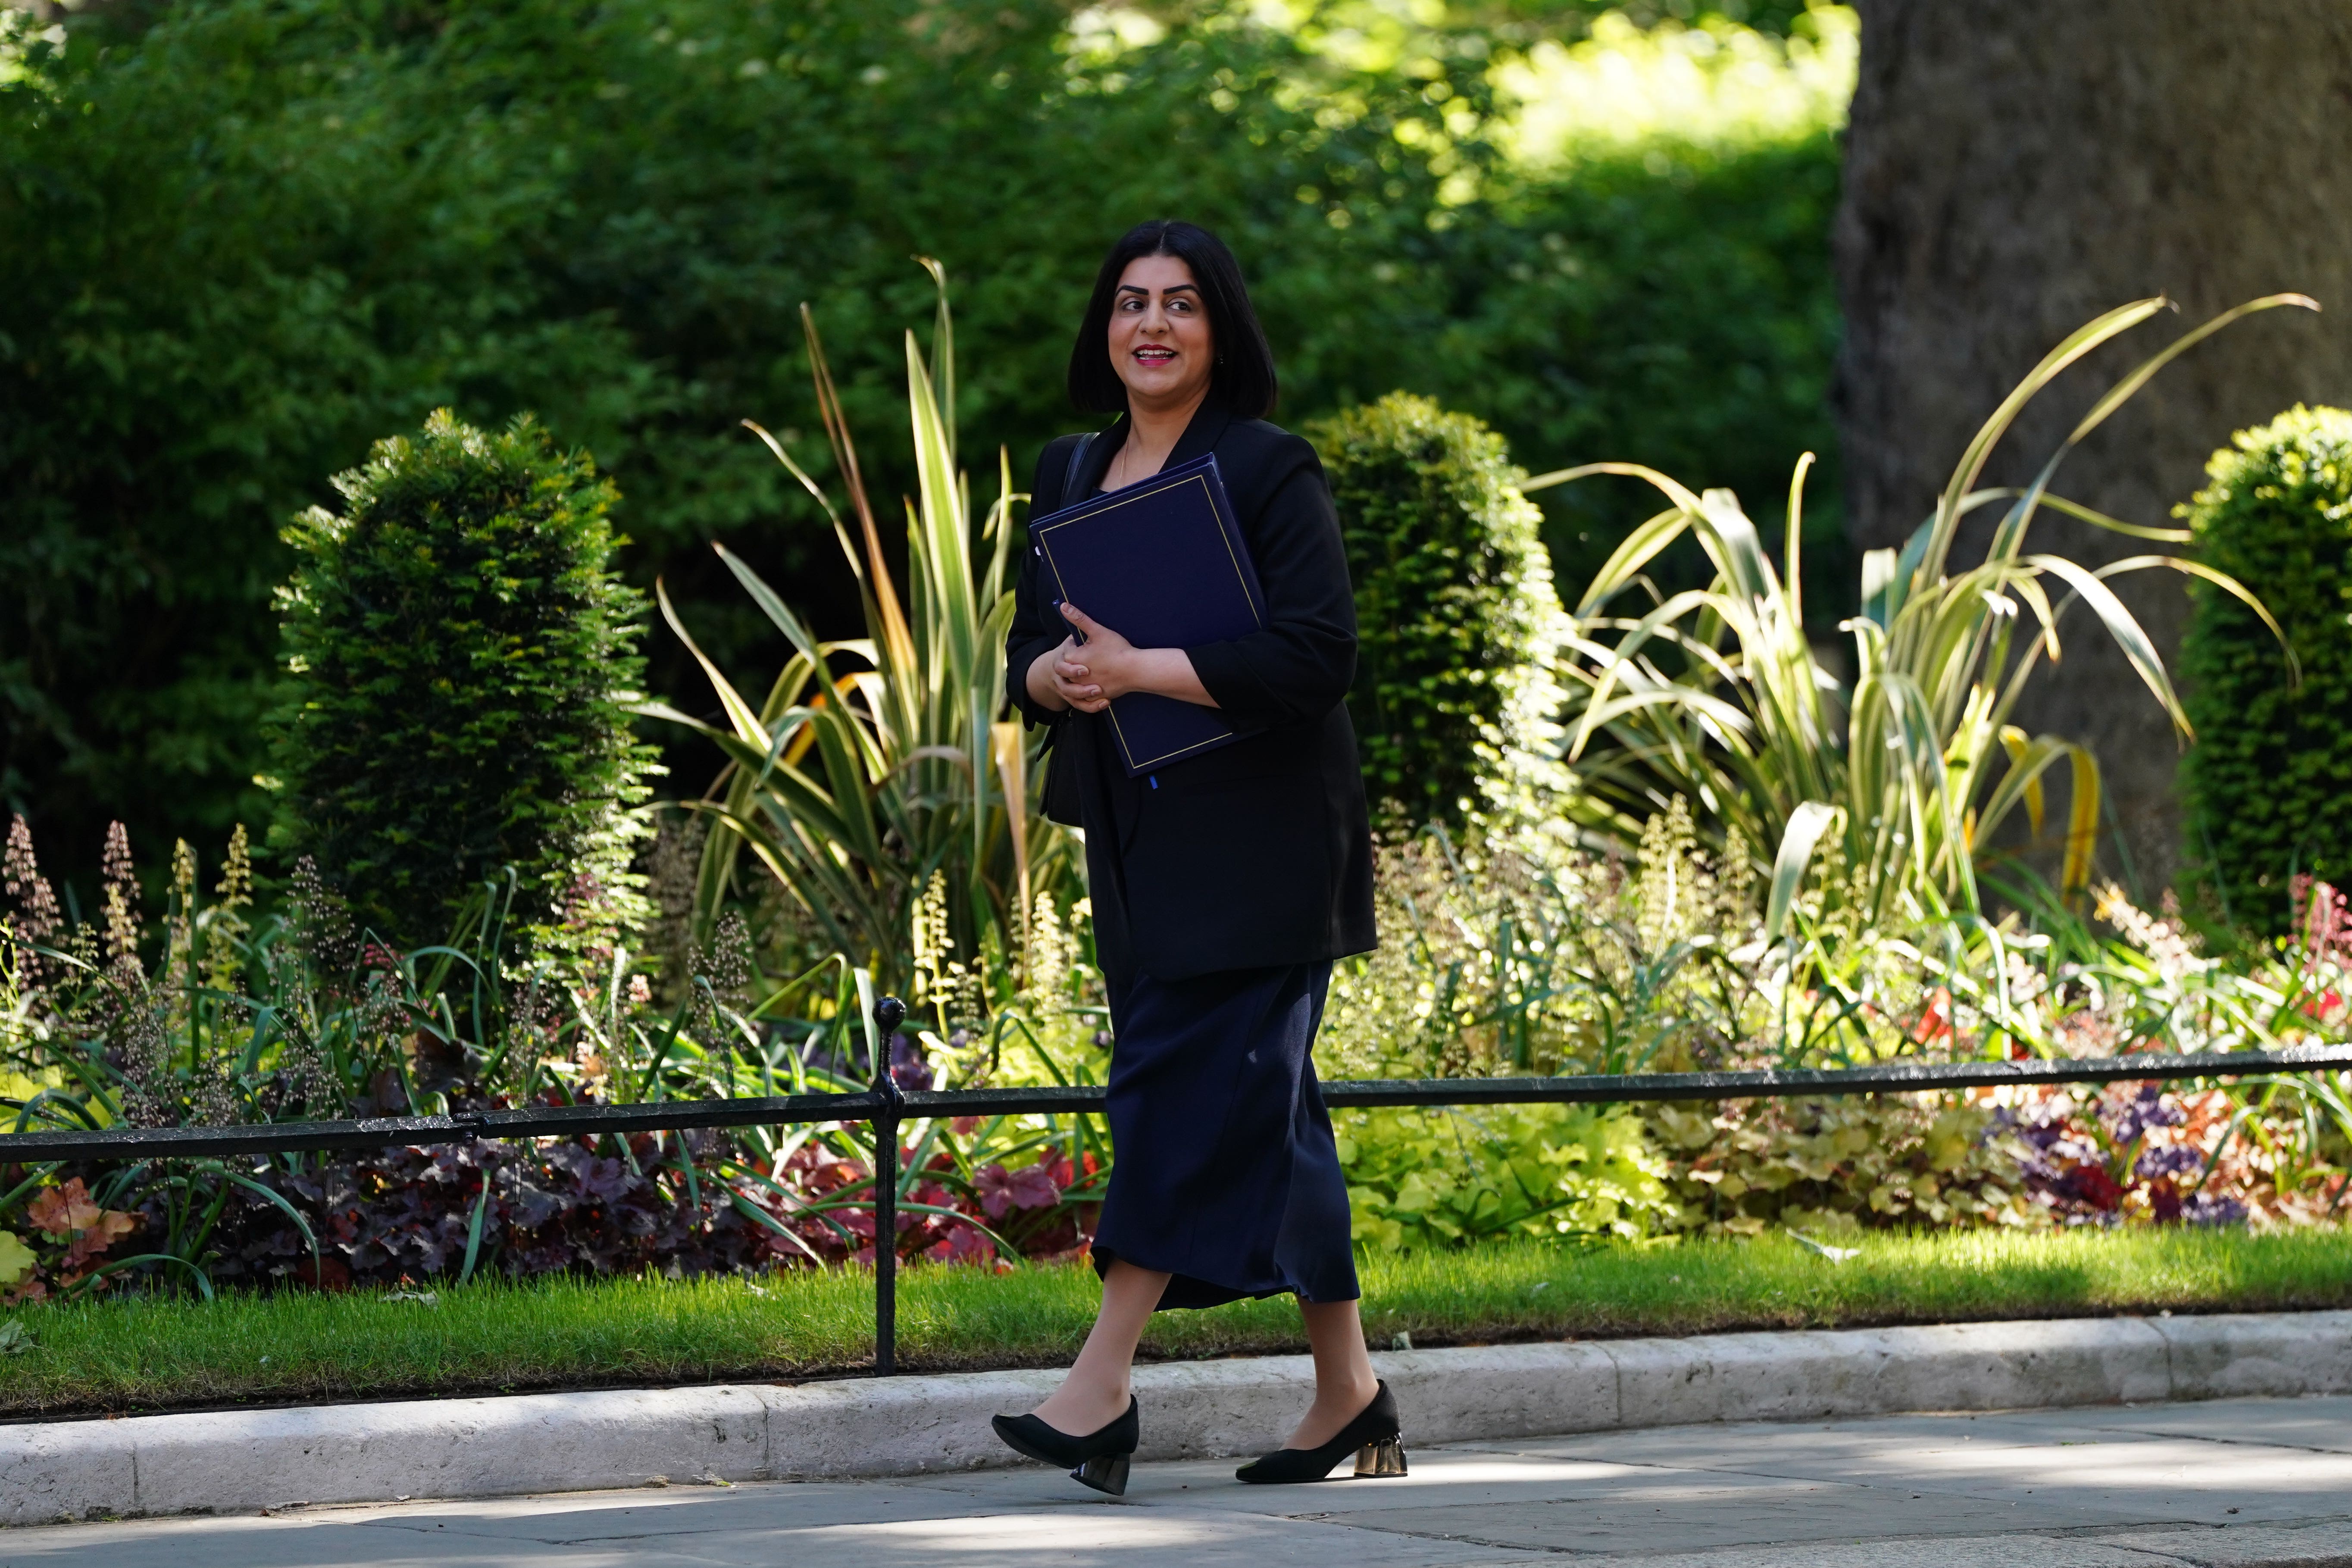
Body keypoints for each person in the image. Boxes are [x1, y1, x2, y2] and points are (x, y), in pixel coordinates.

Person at [989, 219, 1396, 1496]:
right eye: (1129, 304)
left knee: (1172, 1085)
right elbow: (1029, 657)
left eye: (1179, 305)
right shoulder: (1067, 468)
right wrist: (1058, 678)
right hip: (1141, 827)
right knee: (1271, 1112)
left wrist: (1141, 668)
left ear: (1220, 328)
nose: (1151, 325)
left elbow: (1316, 657)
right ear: (1102, 329)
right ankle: (1350, 1394)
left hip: (1271, 837)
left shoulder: (1272, 469)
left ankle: (1100, 1383)